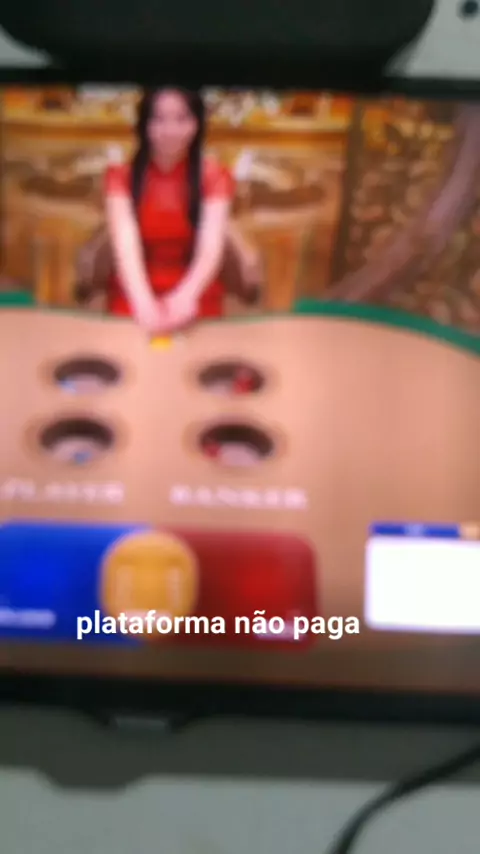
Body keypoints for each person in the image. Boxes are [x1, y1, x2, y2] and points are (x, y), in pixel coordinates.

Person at [103, 87, 255, 335]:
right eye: (158, 119)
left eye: (181, 119)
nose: (170, 130)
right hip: (134, 288)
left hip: (196, 290)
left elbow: (210, 248)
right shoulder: (120, 176)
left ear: (197, 124)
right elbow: (125, 245)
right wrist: (143, 302)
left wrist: (185, 297)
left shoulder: (214, 176)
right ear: (144, 124)